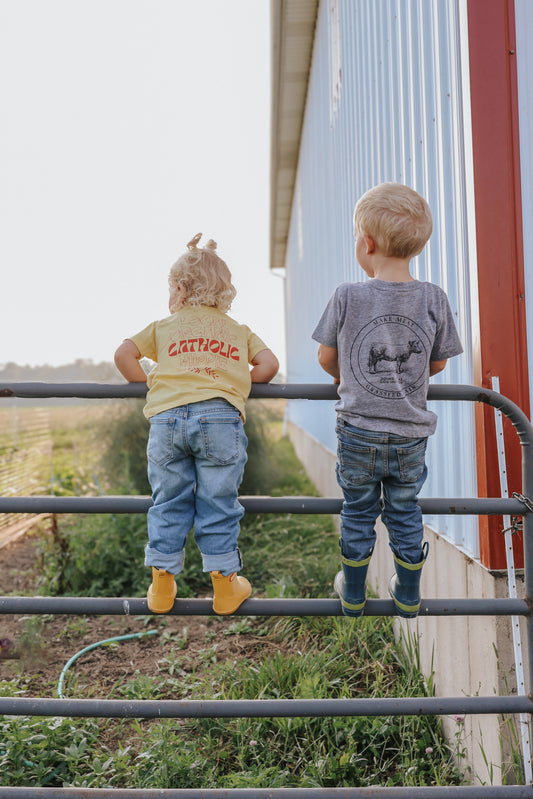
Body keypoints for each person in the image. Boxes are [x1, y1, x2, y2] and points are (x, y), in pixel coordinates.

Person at [312, 183, 462, 619]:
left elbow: (326, 357)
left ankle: (353, 593)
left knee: (358, 510)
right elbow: (437, 365)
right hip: (410, 435)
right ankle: (409, 591)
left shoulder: (347, 295)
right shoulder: (434, 297)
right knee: (403, 509)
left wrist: (350, 374)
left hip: (357, 428)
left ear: (368, 243)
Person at [115, 233, 279, 615]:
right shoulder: (238, 331)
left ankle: (161, 586)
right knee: (218, 502)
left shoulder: (163, 327)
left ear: (178, 288)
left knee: (168, 500)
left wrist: (151, 383)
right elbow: (269, 365)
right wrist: (230, 381)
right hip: (220, 417)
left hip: (167, 420)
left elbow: (124, 353)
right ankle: (225, 589)